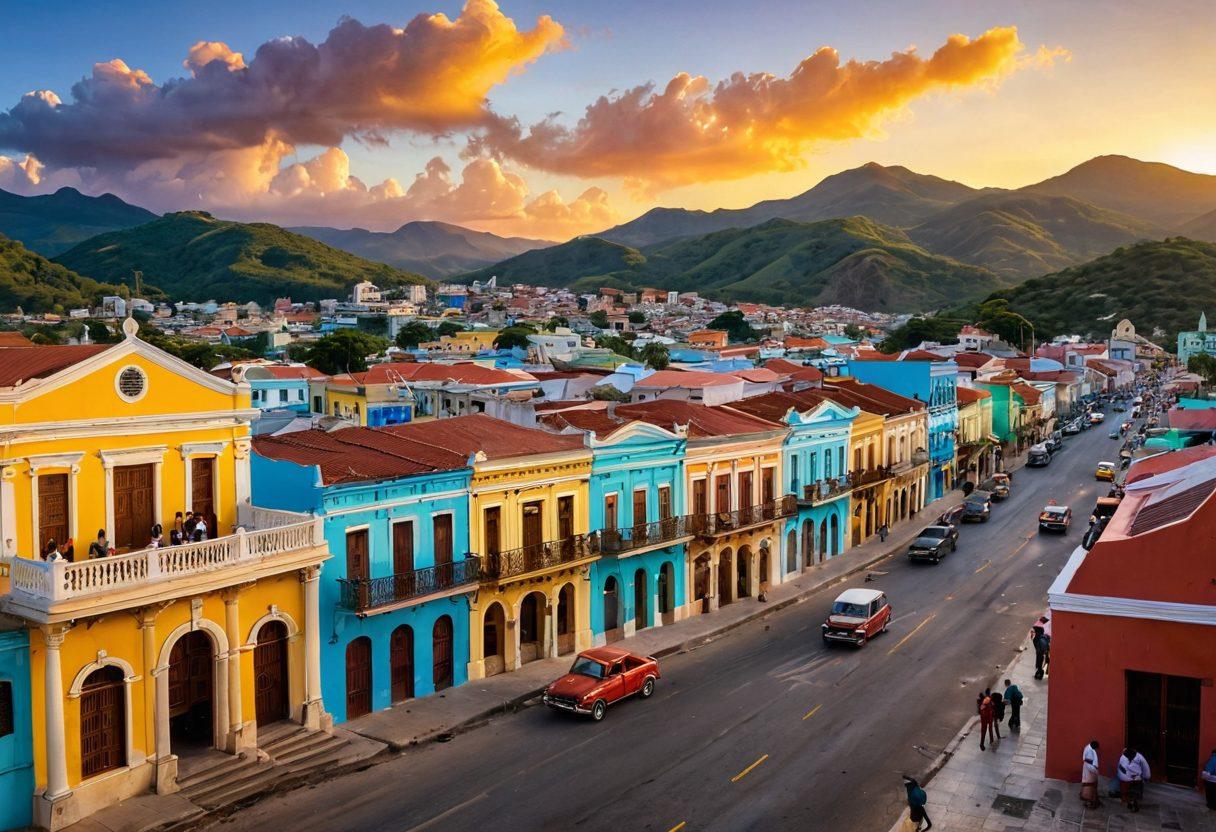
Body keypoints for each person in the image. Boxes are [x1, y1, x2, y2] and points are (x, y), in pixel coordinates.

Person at [1118, 747, 1150, 811]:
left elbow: (1145, 769)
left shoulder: (1139, 758)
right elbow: (1120, 766)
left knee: (1132, 792)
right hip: (1129, 778)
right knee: (1131, 792)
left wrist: (1146, 777)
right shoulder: (1124, 756)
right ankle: (1131, 803)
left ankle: (1131, 803)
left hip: (1133, 779)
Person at [1081, 740, 1101, 809]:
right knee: (1090, 786)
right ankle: (1090, 802)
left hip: (1089, 770)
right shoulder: (1089, 751)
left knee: (1090, 786)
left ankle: (1090, 800)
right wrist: (1095, 770)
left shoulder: (1088, 747)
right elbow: (1089, 763)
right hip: (1090, 771)